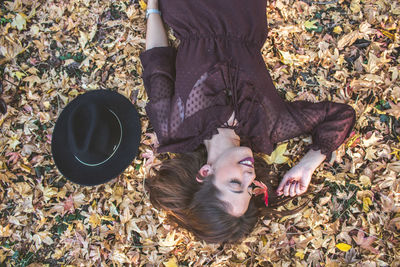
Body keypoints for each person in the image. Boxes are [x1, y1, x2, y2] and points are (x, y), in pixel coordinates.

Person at [140, 0, 356, 243]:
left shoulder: (173, 129)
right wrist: (307, 164)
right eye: (251, 187)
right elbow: (341, 116)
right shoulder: (269, 127)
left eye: (235, 183)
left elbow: (156, 58)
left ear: (205, 172)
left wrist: (152, 6)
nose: (250, 176)